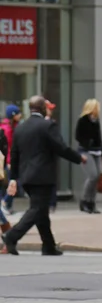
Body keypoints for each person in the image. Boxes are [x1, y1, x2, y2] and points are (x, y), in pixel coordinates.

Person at [1, 96, 85, 256]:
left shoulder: (21, 127)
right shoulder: (47, 125)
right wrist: (78, 158)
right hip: (42, 175)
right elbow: (61, 147)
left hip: (26, 176)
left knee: (41, 211)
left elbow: (15, 154)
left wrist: (14, 177)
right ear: (43, 108)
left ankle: (48, 246)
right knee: (37, 209)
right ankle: (11, 236)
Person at [75, 99, 102, 214]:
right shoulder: (83, 120)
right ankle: (84, 201)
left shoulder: (96, 120)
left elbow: (99, 137)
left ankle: (92, 203)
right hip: (85, 151)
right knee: (93, 175)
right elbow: (78, 136)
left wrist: (101, 150)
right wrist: (88, 143)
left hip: (96, 151)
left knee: (97, 177)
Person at [0, 104, 22, 215]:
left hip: (11, 159)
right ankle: (4, 203)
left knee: (11, 183)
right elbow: (8, 147)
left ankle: (7, 206)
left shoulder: (15, 126)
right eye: (18, 113)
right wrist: (9, 161)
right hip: (7, 160)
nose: (20, 115)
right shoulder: (7, 129)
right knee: (13, 182)